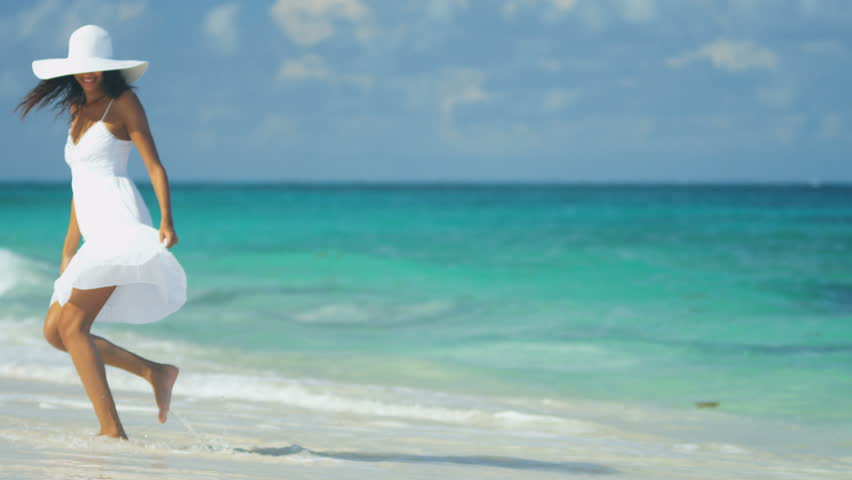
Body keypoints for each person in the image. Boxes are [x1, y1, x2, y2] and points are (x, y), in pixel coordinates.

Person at [16, 25, 187, 439]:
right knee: (55, 332)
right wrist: (69, 247)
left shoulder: (123, 103)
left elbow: (154, 165)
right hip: (94, 230)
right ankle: (155, 372)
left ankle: (112, 429)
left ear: (109, 68)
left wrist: (166, 218)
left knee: (73, 328)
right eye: (82, 68)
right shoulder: (77, 109)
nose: (88, 74)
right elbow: (81, 185)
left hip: (121, 223)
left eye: (95, 68)